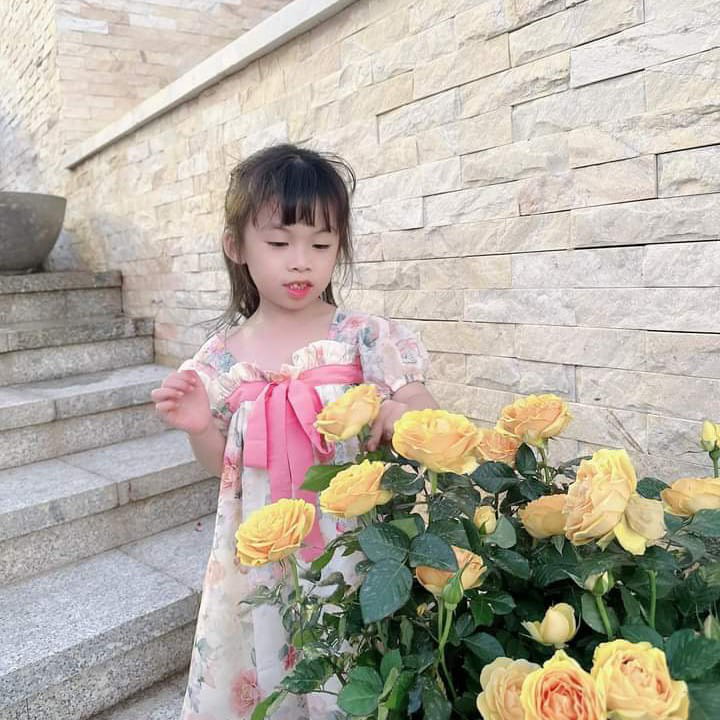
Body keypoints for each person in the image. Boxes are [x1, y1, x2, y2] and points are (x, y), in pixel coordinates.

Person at [151, 143, 438, 720]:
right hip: (264, 553)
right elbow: (223, 468)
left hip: (357, 544)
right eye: (280, 244)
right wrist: (199, 426)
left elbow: (418, 400)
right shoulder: (221, 360)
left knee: (359, 666)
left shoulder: (363, 338)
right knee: (272, 652)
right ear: (237, 247)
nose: (301, 262)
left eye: (321, 244)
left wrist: (402, 413)